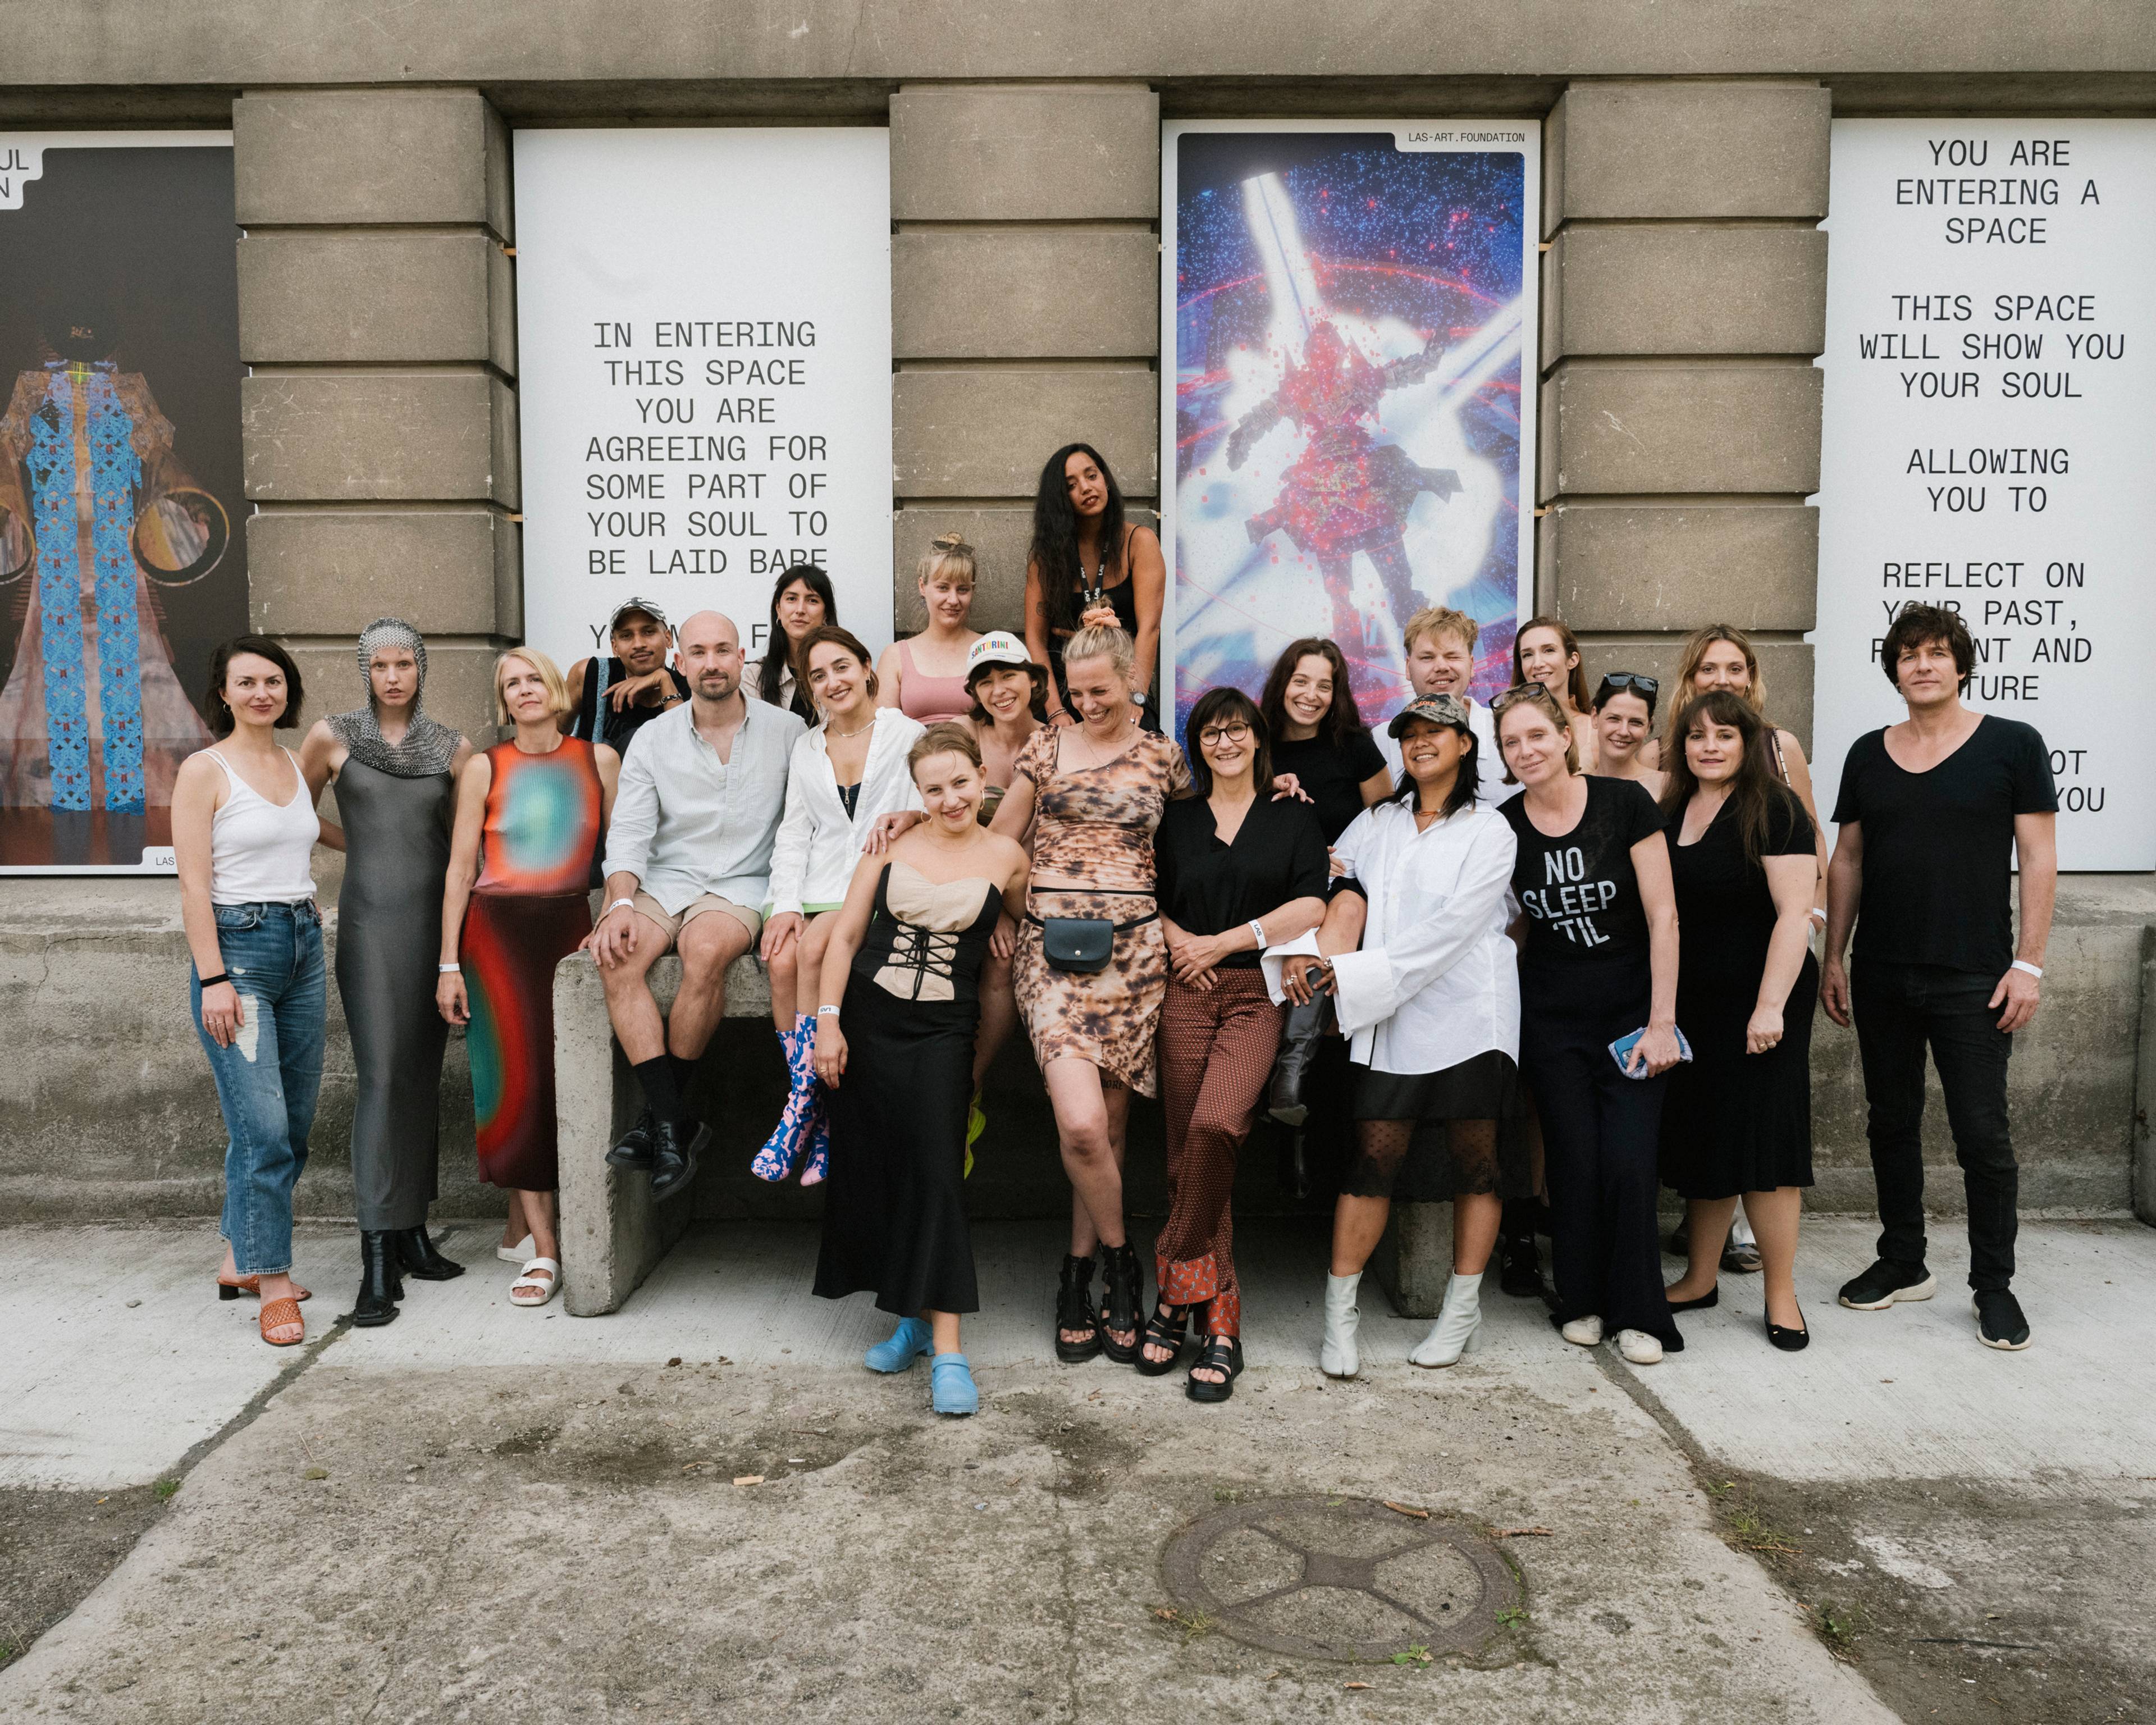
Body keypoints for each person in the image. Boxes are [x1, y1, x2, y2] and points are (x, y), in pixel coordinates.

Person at [1822, 603, 2057, 1352]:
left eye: (1937, 653)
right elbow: (1848, 859)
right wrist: (1835, 956)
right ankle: (1903, 1260)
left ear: (1962, 664)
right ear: (1894, 668)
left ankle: (1993, 1287)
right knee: (1890, 1121)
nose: (1922, 664)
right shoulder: (1867, 753)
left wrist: (2029, 963)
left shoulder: (2012, 746)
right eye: (1909, 654)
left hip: (1975, 977)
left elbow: (2041, 858)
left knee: (1982, 1135)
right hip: (1884, 971)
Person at [1278, 694, 1520, 1377]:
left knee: (1477, 1161)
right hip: (1389, 1018)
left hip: (1475, 1015)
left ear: (1465, 744)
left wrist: (1360, 976)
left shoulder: (1491, 831)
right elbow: (1331, 873)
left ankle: (1462, 1310)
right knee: (1373, 1160)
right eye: (1409, 734)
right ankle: (1340, 1317)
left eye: (1435, 732)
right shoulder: (1377, 821)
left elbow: (1455, 931)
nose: (1419, 743)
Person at [810, 724, 1031, 1418]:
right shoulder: (890, 843)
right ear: (920, 791)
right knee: (881, 1167)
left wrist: (1005, 926)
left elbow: (1023, 930)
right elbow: (846, 935)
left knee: (938, 1170)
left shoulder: (1009, 857)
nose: (950, 797)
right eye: (933, 788)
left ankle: (951, 1351)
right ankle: (910, 1318)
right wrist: (828, 1020)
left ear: (979, 775)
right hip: (870, 1024)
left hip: (945, 1030)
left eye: (960, 782)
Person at [993, 624, 1189, 1364]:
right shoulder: (1046, 745)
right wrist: (1010, 916)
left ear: (1130, 678)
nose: (1086, 705)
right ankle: (1121, 1260)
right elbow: (1002, 838)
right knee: (1079, 1125)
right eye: (1075, 694)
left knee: (1107, 1135)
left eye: (1099, 691)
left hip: (1134, 960)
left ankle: (1077, 1279)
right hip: (1051, 954)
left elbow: (1198, 842)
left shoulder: (1165, 756)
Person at [1144, 687, 1327, 1400]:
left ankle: (1172, 1288)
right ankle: (1222, 1319)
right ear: (1199, 745)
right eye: (1210, 733)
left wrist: (1228, 940)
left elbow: (1311, 904)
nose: (1224, 742)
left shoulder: (1291, 817)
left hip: (1256, 991)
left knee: (1218, 1126)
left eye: (1236, 730)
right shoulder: (1177, 818)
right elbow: (1148, 898)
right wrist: (1182, 942)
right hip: (1185, 989)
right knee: (1185, 1148)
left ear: (1257, 738)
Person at [1496, 682, 1683, 1364]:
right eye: (1512, 743)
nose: (1526, 751)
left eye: (1536, 736)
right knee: (1574, 1163)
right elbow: (1511, 924)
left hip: (1632, 1017)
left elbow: (1664, 915)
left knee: (1630, 1162)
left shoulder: (1624, 803)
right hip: (1551, 1021)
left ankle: (1640, 1312)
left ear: (1566, 737)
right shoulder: (1505, 826)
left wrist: (1663, 1022)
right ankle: (1582, 1300)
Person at [592, 611, 803, 1202]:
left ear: (743, 659)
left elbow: (804, 824)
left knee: (704, 950)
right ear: (678, 662)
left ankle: (660, 1120)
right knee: (616, 958)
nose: (711, 663)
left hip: (742, 882)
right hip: (667, 878)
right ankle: (673, 1120)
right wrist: (620, 902)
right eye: (698, 653)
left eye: (723, 651)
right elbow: (630, 833)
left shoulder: (789, 732)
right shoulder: (653, 740)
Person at [300, 619, 471, 1327]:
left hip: (438, 930)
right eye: (381, 666)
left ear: (420, 669)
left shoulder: (453, 749)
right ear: (364, 670)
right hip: (370, 928)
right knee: (382, 1079)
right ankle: (376, 1257)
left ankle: (411, 1234)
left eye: (404, 664)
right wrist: (358, 840)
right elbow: (292, 816)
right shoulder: (331, 737)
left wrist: (453, 954)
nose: (393, 677)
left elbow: (463, 848)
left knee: (421, 1078)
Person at [437, 649, 618, 1309]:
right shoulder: (486, 766)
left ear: (554, 688)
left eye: (532, 678)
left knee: (560, 1082)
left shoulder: (598, 760)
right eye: (510, 684)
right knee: (514, 1085)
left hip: (571, 930)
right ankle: (547, 1249)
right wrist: (448, 963)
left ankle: (523, 1227)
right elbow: (460, 870)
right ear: (504, 700)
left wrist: (615, 917)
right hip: (497, 936)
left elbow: (624, 853)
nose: (523, 690)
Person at [172, 637, 334, 1347]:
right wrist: (212, 978)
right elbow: (193, 886)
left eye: (274, 681)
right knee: (262, 1128)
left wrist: (408, 841)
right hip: (238, 957)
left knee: (288, 1125)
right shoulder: (203, 771)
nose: (262, 692)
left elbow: (318, 834)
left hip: (304, 946)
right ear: (225, 692)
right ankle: (273, 1282)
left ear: (287, 691)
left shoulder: (295, 766)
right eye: (248, 682)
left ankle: (240, 1256)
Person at [1656, 692, 1819, 1350]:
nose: (1710, 746)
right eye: (1697, 736)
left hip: (1765, 999)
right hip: (1698, 1002)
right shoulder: (1673, 809)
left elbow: (1793, 913)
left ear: (1748, 742)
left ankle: (1781, 1296)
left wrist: (1770, 1007)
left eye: (1725, 734)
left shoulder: (1774, 808)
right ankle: (1699, 1276)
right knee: (1707, 1133)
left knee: (1766, 1146)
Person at [756, 627, 926, 1183]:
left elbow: (936, 805)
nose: (833, 682)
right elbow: (794, 831)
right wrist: (783, 905)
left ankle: (801, 1106)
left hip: (878, 887)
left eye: (842, 667)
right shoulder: (808, 746)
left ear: (866, 668)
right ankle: (820, 1115)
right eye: (818, 676)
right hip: (814, 886)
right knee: (781, 955)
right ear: (809, 689)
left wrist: (915, 817)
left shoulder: (907, 734)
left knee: (816, 946)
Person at [1023, 444, 1165, 729]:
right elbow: (1035, 639)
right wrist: (1054, 711)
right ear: (1061, 499)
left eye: (1092, 476)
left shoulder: (1140, 541)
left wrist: (1136, 698)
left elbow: (1150, 629)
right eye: (1072, 485)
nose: (1086, 488)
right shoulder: (1046, 557)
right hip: (1067, 692)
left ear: (1106, 481)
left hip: (1123, 686)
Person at [1260, 637, 1392, 845]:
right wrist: (1312, 864)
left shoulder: (1357, 746)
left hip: (1346, 875)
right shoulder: (1255, 748)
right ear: (1282, 684)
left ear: (1335, 696)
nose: (1311, 695)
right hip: (1275, 876)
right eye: (1301, 682)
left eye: (1324, 687)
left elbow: (1388, 832)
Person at [1375, 608, 1506, 810]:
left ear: (1472, 665)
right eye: (1427, 658)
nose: (1441, 667)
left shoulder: (1507, 730)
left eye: (1452, 656)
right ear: (1408, 667)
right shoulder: (1380, 740)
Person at [878, 533, 983, 724]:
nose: (953, 600)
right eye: (943, 588)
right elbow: (885, 734)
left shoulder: (988, 649)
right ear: (922, 586)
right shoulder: (895, 656)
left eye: (963, 589)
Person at [561, 597, 688, 754]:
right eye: (627, 636)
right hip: (598, 777)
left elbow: (685, 751)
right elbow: (550, 734)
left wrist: (663, 679)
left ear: (668, 639)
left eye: (648, 632)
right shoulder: (590, 674)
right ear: (615, 647)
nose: (638, 644)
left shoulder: (689, 685)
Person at [962, 631, 1048, 829]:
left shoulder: (1055, 742)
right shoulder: (963, 734)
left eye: (1008, 676)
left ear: (1033, 679)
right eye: (986, 682)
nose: (999, 691)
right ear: (975, 693)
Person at [750, 563, 837, 723]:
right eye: (791, 599)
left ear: (826, 614)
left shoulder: (844, 674)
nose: (800, 609)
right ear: (778, 609)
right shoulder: (755, 675)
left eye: (812, 600)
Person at [1512, 616, 1600, 773]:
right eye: (1527, 655)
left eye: (1549, 650)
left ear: (1572, 660)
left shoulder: (1594, 730)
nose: (1537, 663)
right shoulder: (1507, 727)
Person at [1592, 674, 1665, 801]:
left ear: (1648, 726)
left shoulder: (1667, 787)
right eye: (1614, 719)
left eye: (1636, 722)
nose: (1624, 732)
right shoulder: (1575, 788)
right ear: (1595, 718)